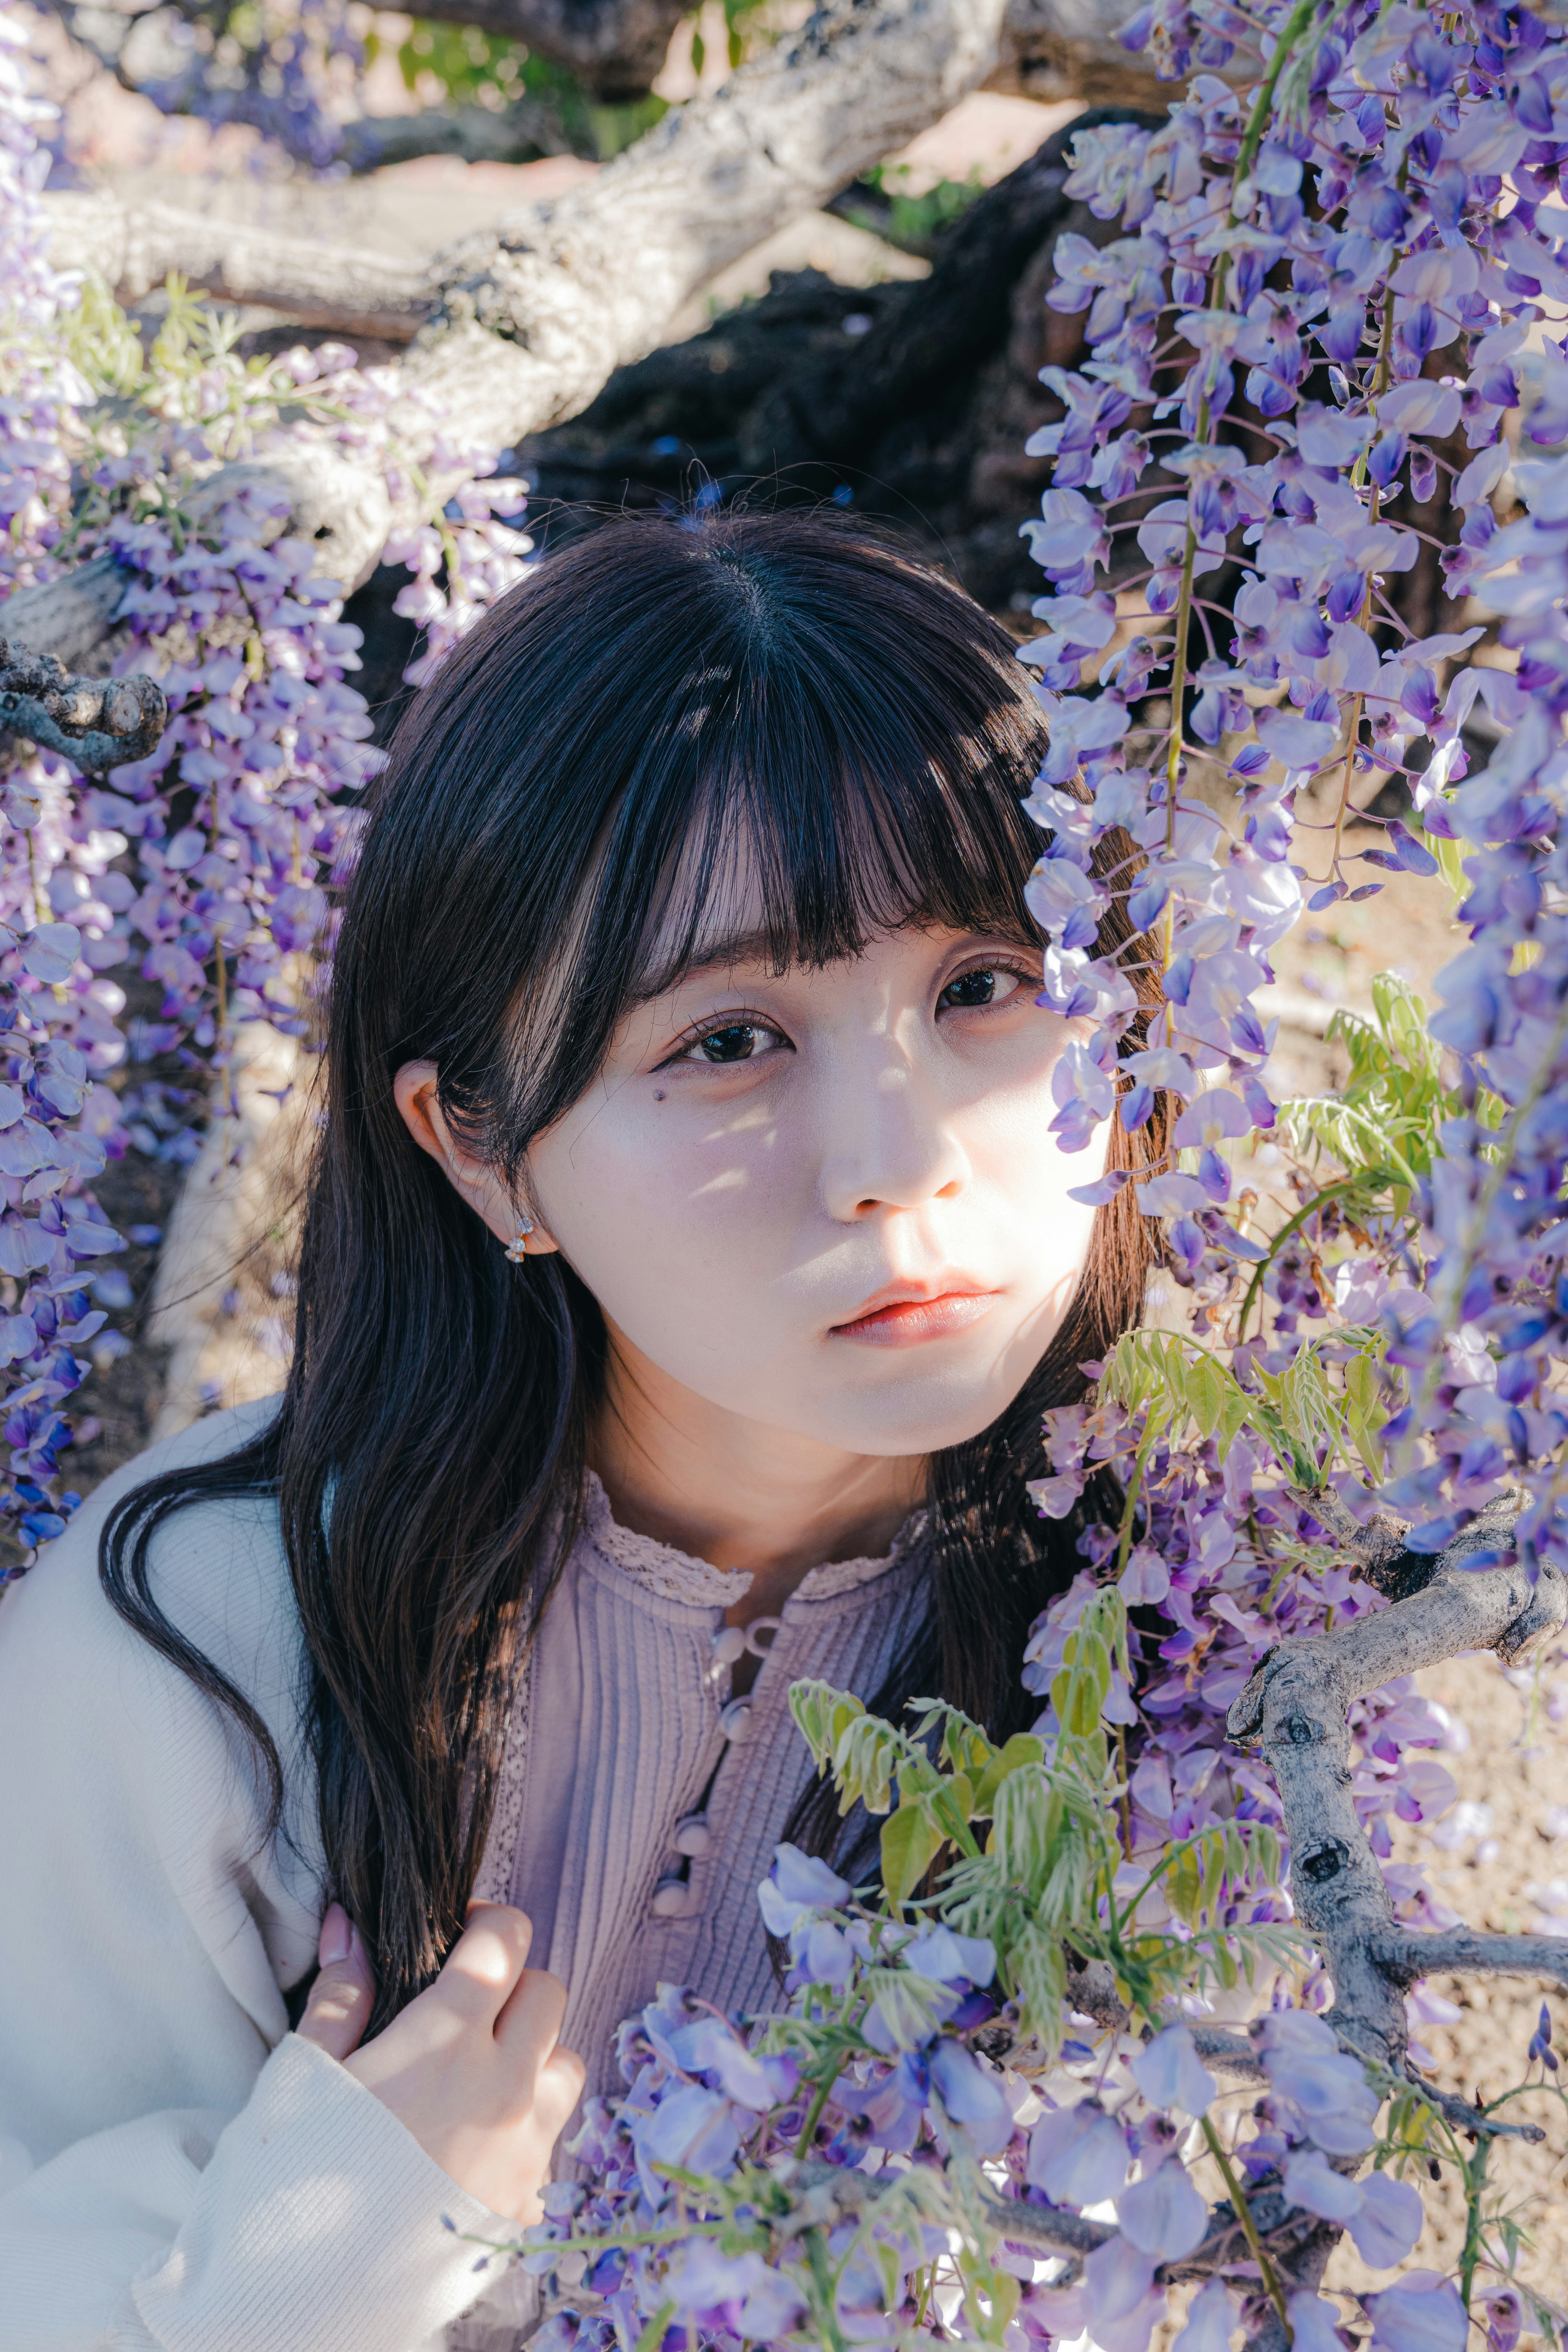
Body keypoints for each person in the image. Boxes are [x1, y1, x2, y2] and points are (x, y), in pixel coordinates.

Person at [0, 511, 1163, 2350]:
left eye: (985, 988)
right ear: (479, 1148)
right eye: (726, 1042)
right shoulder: (183, 1663)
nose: (900, 1162)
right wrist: (317, 2270)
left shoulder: (1201, 1616)